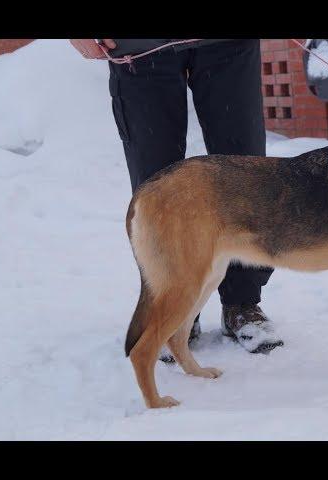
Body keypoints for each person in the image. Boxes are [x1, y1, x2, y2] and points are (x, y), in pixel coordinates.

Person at [69, 38, 283, 357]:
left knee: (246, 175)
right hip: (138, 48)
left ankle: (243, 303)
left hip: (227, 45)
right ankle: (173, 310)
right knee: (158, 188)